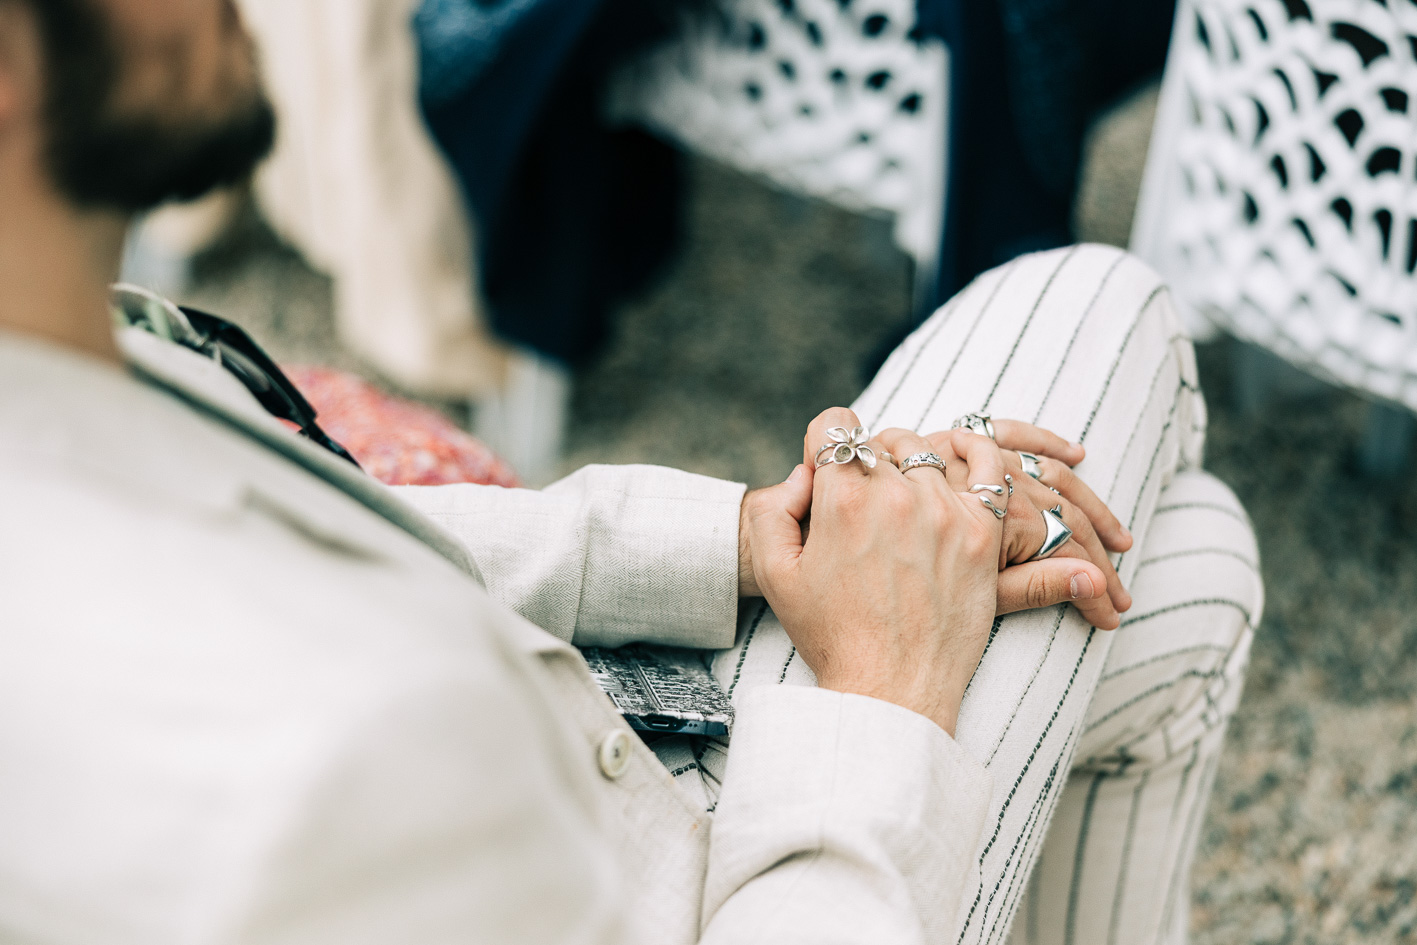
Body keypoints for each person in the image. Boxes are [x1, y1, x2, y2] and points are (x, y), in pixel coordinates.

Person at [0, 1, 1262, 943]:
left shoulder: (56, 370)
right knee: (1090, 298)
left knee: (1183, 576)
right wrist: (883, 692)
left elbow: (359, 524)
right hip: (708, 888)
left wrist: (749, 536)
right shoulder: (306, 755)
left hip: (595, 746)